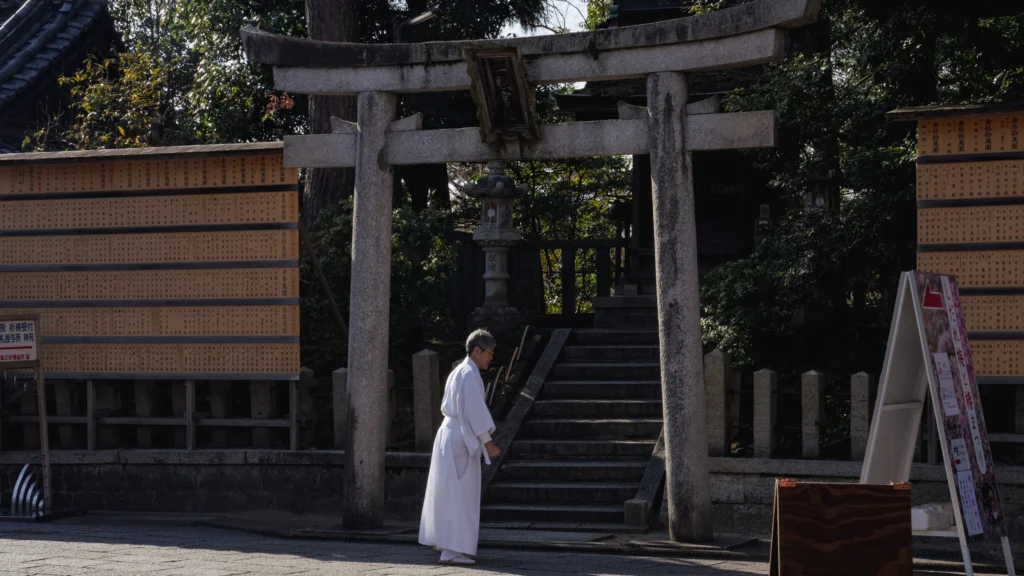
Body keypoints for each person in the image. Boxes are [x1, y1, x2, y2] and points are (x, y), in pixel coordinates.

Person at [418, 329, 502, 565]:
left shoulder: (461, 371)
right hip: (459, 437)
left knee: (450, 492)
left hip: (451, 434)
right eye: (489, 352)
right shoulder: (467, 374)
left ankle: (447, 543)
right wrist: (487, 442)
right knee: (460, 494)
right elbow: (473, 411)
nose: (490, 357)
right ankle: (452, 549)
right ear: (477, 350)